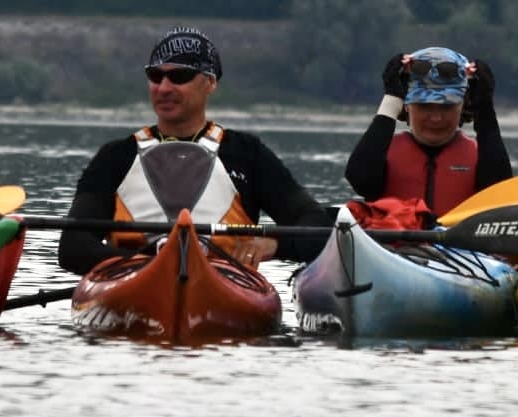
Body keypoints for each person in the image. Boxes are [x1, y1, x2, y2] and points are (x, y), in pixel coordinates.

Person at [57, 28, 333, 274]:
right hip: (133, 278)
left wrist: (274, 243)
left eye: (180, 76)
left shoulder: (247, 154)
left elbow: (316, 224)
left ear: (211, 83)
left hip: (223, 280)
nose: (164, 87)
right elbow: (73, 247)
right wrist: (150, 266)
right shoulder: (115, 157)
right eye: (155, 76)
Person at [343, 46, 511, 217]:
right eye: (424, 106)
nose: (436, 118)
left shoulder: (483, 156)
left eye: (447, 107)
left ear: (462, 106)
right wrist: (392, 98)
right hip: (392, 241)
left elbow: (499, 192)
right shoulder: (381, 153)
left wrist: (484, 108)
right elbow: (360, 181)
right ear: (406, 105)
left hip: (457, 241)